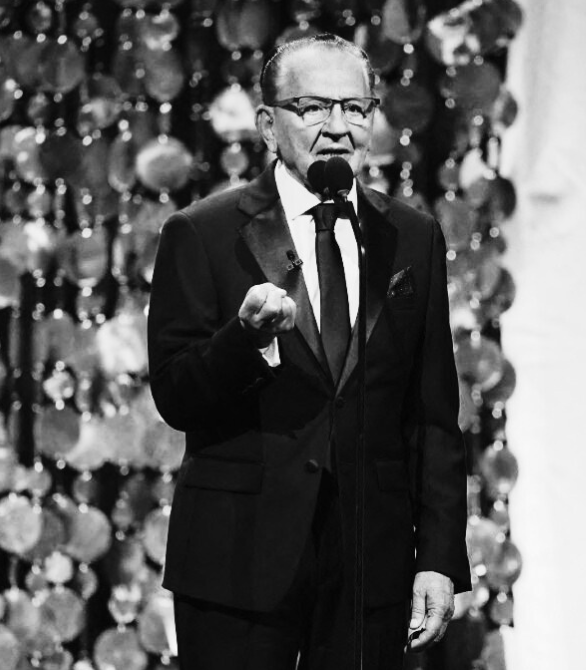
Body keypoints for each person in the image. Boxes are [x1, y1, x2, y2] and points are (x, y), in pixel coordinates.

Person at [147, 33, 470, 670]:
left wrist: (437, 557)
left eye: (355, 108)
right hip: (238, 558)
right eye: (314, 107)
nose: (337, 127)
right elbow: (176, 395)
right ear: (268, 124)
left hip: (367, 562)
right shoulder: (203, 233)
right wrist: (244, 340)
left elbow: (432, 415)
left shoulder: (412, 236)